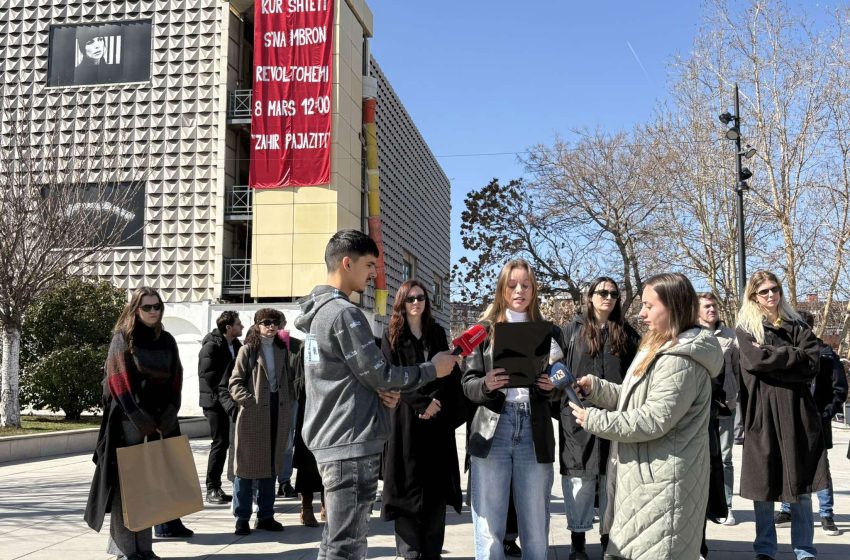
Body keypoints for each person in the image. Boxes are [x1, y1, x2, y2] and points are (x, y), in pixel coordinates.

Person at [293, 229, 458, 560]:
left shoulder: (317, 317)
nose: (374, 274)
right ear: (346, 263)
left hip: (333, 439)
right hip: (350, 444)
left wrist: (383, 393)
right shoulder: (343, 314)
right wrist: (432, 369)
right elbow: (380, 374)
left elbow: (334, 378)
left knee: (335, 542)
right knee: (347, 545)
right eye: (369, 265)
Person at [570, 272, 723, 560]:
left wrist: (594, 420)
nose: (641, 313)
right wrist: (597, 389)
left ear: (674, 307)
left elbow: (653, 419)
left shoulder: (681, 360)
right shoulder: (659, 347)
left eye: (649, 306)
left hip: (663, 488)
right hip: (645, 483)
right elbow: (634, 397)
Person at [84, 287, 191, 560]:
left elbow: (176, 380)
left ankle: (145, 547)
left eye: (157, 306)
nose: (153, 311)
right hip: (128, 422)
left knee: (149, 485)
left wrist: (168, 416)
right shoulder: (123, 339)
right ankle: (124, 549)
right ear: (135, 309)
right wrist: (141, 420)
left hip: (161, 422)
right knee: (127, 486)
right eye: (147, 307)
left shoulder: (166, 340)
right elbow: (119, 385)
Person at [463, 259, 558, 560]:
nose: (519, 290)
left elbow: (561, 376)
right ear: (502, 289)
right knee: (489, 525)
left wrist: (550, 385)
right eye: (512, 284)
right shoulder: (482, 330)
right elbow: (467, 384)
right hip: (494, 428)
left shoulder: (549, 332)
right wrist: (487, 384)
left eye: (526, 285)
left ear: (534, 290)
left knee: (535, 522)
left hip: (534, 428)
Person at [735, 271, 828, 560]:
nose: (771, 295)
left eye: (774, 289)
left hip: (798, 414)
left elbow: (812, 362)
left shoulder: (798, 324)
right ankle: (765, 550)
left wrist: (776, 357)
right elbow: (754, 361)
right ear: (754, 296)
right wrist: (792, 355)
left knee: (801, 487)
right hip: (762, 416)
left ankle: (804, 550)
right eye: (763, 291)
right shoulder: (745, 329)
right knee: (764, 487)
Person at [381, 280, 467, 559]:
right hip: (406, 422)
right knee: (406, 490)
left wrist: (437, 405)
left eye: (421, 298)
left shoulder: (437, 333)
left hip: (436, 423)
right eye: (410, 299)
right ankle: (410, 552)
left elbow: (450, 376)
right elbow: (391, 377)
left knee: (435, 491)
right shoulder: (392, 336)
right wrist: (421, 403)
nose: (416, 302)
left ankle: (432, 551)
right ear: (401, 304)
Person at [557, 277, 640, 560]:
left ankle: (609, 539)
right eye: (602, 292)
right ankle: (577, 541)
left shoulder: (627, 334)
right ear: (589, 296)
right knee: (579, 480)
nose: (608, 297)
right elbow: (555, 372)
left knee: (611, 478)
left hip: (615, 418)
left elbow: (635, 378)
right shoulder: (570, 331)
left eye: (614, 293)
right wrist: (565, 404)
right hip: (577, 418)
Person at [775, 311, 848, 537]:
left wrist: (824, 415)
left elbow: (839, 390)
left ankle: (826, 514)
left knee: (820, 469)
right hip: (790, 421)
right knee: (788, 464)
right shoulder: (785, 355)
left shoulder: (826, 356)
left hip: (816, 423)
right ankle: (787, 509)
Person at [227, 309, 294, 536]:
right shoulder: (247, 350)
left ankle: (266, 515)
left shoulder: (281, 350)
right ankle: (242, 517)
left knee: (271, 467)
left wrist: (287, 403)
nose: (271, 326)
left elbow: (287, 380)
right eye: (266, 322)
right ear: (257, 325)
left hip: (277, 411)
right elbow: (235, 382)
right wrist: (248, 401)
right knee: (245, 469)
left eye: (275, 322)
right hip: (253, 414)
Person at [696, 292, 740, 525]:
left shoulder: (730, 336)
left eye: (714, 306)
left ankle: (727, 505)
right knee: (701, 457)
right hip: (698, 407)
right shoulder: (689, 335)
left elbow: (738, 371)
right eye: (706, 306)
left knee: (725, 458)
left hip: (725, 406)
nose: (712, 310)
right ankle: (703, 505)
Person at [197, 310, 243, 504]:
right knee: (220, 442)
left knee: (226, 443)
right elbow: (207, 374)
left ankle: (218, 486)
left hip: (228, 402)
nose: (241, 327)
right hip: (215, 402)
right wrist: (225, 393)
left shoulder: (236, 346)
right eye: (238, 324)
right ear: (228, 327)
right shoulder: (212, 345)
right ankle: (211, 488)